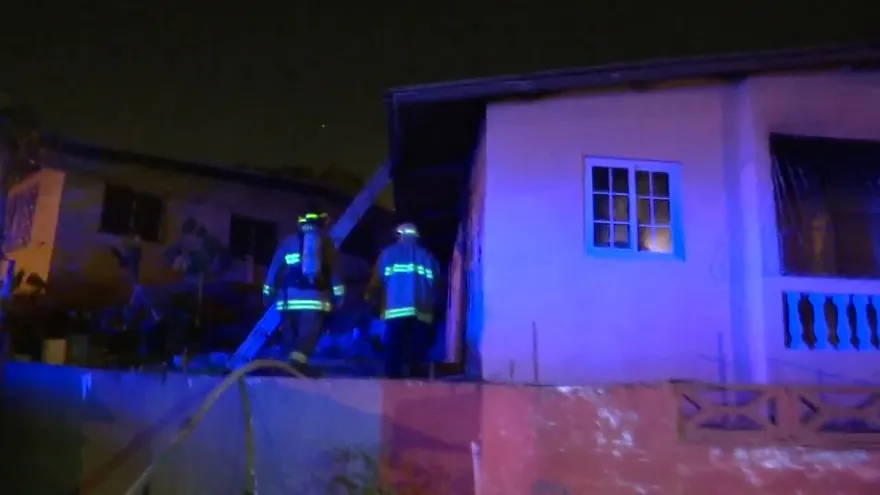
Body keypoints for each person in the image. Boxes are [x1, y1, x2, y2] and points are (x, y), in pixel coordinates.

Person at [263, 211, 345, 374]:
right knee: (307, 338)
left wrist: (267, 293)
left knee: (290, 338)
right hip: (314, 302)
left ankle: (288, 371)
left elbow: (274, 270)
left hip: (287, 301)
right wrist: (339, 297)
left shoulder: (288, 242)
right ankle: (294, 368)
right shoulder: (326, 244)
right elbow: (334, 274)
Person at [366, 222, 441, 378]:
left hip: (395, 309)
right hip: (422, 310)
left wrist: (370, 296)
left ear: (400, 235)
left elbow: (377, 280)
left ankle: (393, 380)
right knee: (417, 348)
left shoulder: (388, 253)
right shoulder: (426, 255)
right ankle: (416, 379)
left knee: (394, 347)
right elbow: (435, 282)